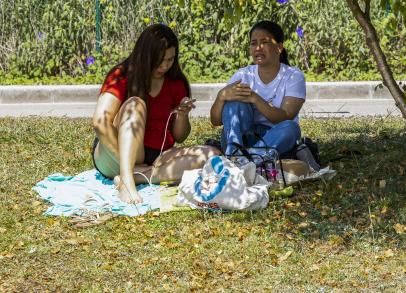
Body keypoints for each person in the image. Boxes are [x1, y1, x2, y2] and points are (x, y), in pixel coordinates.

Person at [91, 24, 219, 204]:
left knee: (211, 155)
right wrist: (126, 163)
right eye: (160, 60)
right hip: (113, 151)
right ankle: (127, 180)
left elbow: (179, 137)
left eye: (170, 59)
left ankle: (138, 176)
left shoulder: (176, 82)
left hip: (157, 156)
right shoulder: (121, 75)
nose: (165, 65)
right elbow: (100, 122)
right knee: (136, 104)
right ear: (145, 55)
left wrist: (182, 115)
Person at [210, 20, 306, 165]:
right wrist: (221, 97)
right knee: (234, 102)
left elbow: (285, 116)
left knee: (291, 128)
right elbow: (215, 121)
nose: (258, 48)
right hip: (241, 139)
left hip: (275, 138)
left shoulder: (293, 76)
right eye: (253, 43)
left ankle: (244, 159)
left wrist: (255, 98)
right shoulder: (243, 75)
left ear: (279, 47)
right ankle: (236, 153)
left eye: (264, 42)